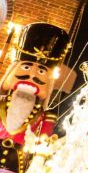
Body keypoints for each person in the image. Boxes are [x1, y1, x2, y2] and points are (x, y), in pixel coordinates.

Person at [0, 23, 70, 173]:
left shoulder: (45, 115)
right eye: (26, 67)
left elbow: (43, 140)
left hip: (17, 163)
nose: (32, 75)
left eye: (41, 71)